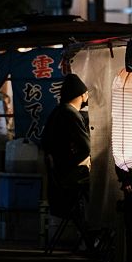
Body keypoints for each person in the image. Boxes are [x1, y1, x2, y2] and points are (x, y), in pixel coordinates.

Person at [41, 73, 93, 247]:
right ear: (80, 94)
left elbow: (45, 144)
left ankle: (89, 238)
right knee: (103, 186)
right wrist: (78, 162)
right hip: (70, 174)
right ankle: (94, 236)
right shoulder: (70, 114)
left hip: (58, 174)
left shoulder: (58, 111)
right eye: (86, 92)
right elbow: (86, 148)